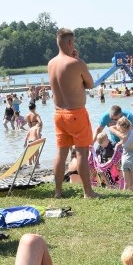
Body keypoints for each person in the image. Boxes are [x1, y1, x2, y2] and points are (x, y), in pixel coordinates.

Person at [48, 28, 98, 199]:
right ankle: (88, 192)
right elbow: (90, 84)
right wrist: (77, 59)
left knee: (61, 153)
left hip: (58, 113)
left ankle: (57, 192)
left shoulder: (51, 64)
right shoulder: (76, 63)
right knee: (82, 152)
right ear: (70, 43)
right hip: (76, 113)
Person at [110, 116, 133, 191]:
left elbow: (111, 128)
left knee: (127, 183)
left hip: (125, 160)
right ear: (129, 124)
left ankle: (125, 196)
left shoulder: (122, 136)